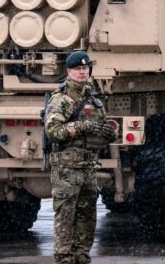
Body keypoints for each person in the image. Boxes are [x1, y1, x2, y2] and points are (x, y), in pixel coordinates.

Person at [44, 51, 117, 264]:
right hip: (67, 168)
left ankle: (81, 256)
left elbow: (102, 128)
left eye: (85, 68)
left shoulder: (93, 99)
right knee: (66, 217)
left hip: (88, 167)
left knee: (87, 218)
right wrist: (82, 126)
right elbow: (54, 131)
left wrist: (108, 133)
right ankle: (64, 259)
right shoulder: (62, 99)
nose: (82, 72)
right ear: (69, 71)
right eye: (78, 69)